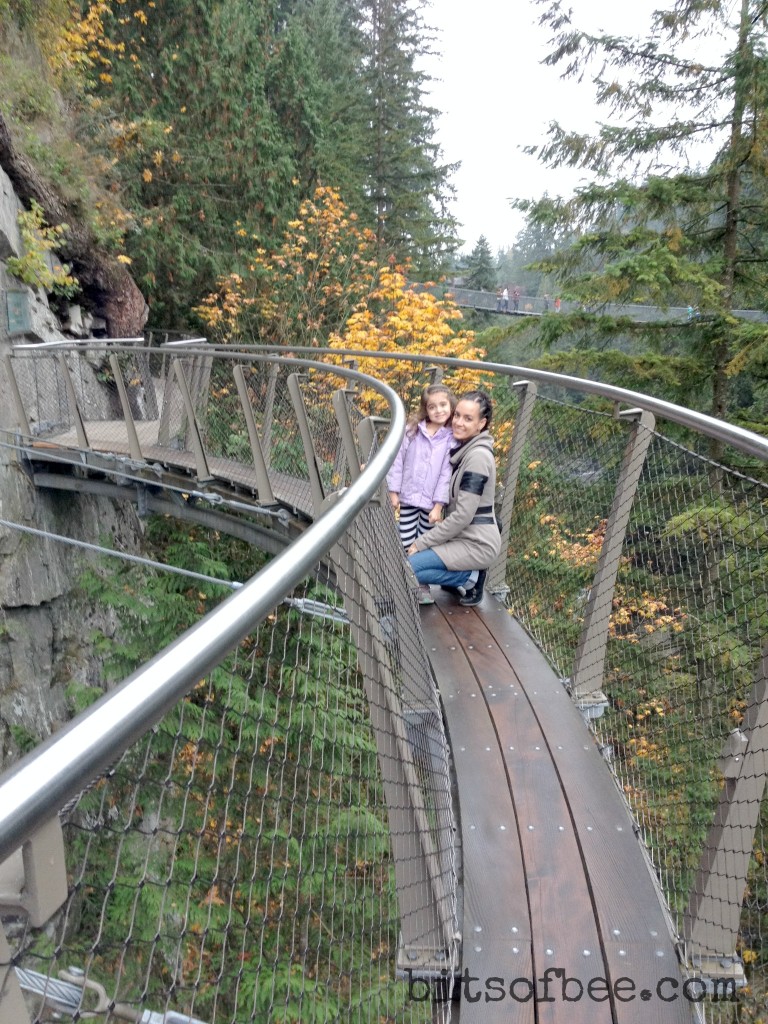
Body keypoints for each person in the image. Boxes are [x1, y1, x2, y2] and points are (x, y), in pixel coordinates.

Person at [407, 390, 501, 607]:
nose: (458, 422)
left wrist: (422, 543)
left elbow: (462, 516)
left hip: (476, 543)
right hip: (461, 536)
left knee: (409, 569)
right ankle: (459, 572)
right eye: (457, 415)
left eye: (468, 419)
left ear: (481, 424)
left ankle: (469, 578)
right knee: (408, 565)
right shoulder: (462, 448)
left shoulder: (477, 458)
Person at [387, 384, 457, 553]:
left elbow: (446, 474)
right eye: (432, 407)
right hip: (409, 495)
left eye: (443, 405)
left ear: (451, 406)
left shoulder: (451, 438)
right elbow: (398, 459)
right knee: (405, 539)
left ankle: (411, 574)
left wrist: (439, 506)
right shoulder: (413, 430)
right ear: (425, 409)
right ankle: (403, 573)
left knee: (423, 543)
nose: (438, 410)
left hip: (431, 502)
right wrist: (393, 491)